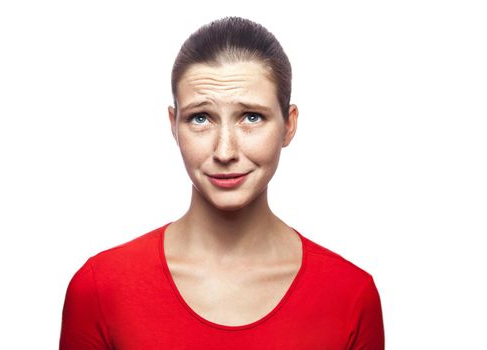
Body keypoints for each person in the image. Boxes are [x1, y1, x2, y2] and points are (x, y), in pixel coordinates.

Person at [59, 16, 385, 349]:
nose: (224, 151)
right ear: (174, 125)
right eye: (201, 118)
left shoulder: (349, 294)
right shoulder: (101, 289)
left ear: (288, 125)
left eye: (251, 117)